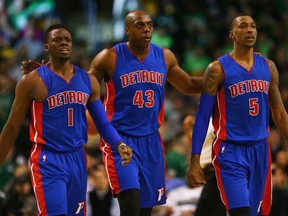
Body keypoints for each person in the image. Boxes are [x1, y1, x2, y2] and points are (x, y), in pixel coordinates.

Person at [21, 10, 203, 216]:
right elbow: (80, 86)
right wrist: (49, 75)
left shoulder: (164, 56)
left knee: (145, 210)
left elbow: (188, 85)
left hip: (152, 140)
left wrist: (222, 80)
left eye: (149, 25)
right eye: (140, 25)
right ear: (127, 30)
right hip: (120, 139)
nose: (146, 30)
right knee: (131, 202)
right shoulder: (109, 57)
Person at [0, 23, 132, 216]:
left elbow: (103, 123)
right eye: (57, 39)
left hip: (77, 157)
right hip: (48, 158)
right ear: (46, 47)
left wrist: (118, 143)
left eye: (67, 39)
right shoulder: (32, 81)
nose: (64, 43)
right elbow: (11, 127)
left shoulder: (88, 80)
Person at [186, 15, 288, 216]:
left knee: (256, 213)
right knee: (240, 211)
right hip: (230, 151)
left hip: (260, 149)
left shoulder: (268, 67)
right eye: (243, 26)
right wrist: (194, 160)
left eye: (253, 26)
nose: (250, 30)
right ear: (232, 34)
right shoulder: (217, 69)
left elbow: (279, 113)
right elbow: (202, 117)